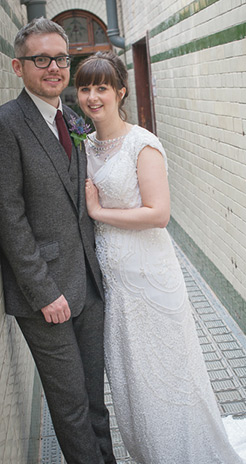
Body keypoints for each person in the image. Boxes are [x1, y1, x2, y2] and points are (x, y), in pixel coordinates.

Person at [75, 51, 246, 464]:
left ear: (120, 91)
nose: (92, 96)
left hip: (150, 275)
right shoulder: (85, 146)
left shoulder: (142, 144)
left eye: (101, 87)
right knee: (132, 379)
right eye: (85, 87)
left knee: (167, 372)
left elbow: (159, 214)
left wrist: (98, 212)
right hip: (113, 280)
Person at [0, 19, 116, 464]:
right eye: (41, 59)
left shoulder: (70, 117)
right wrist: (44, 291)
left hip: (88, 283)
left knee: (94, 400)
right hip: (45, 296)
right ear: (18, 66)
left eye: (61, 58)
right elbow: (9, 217)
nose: (53, 67)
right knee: (70, 409)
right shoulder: (7, 125)